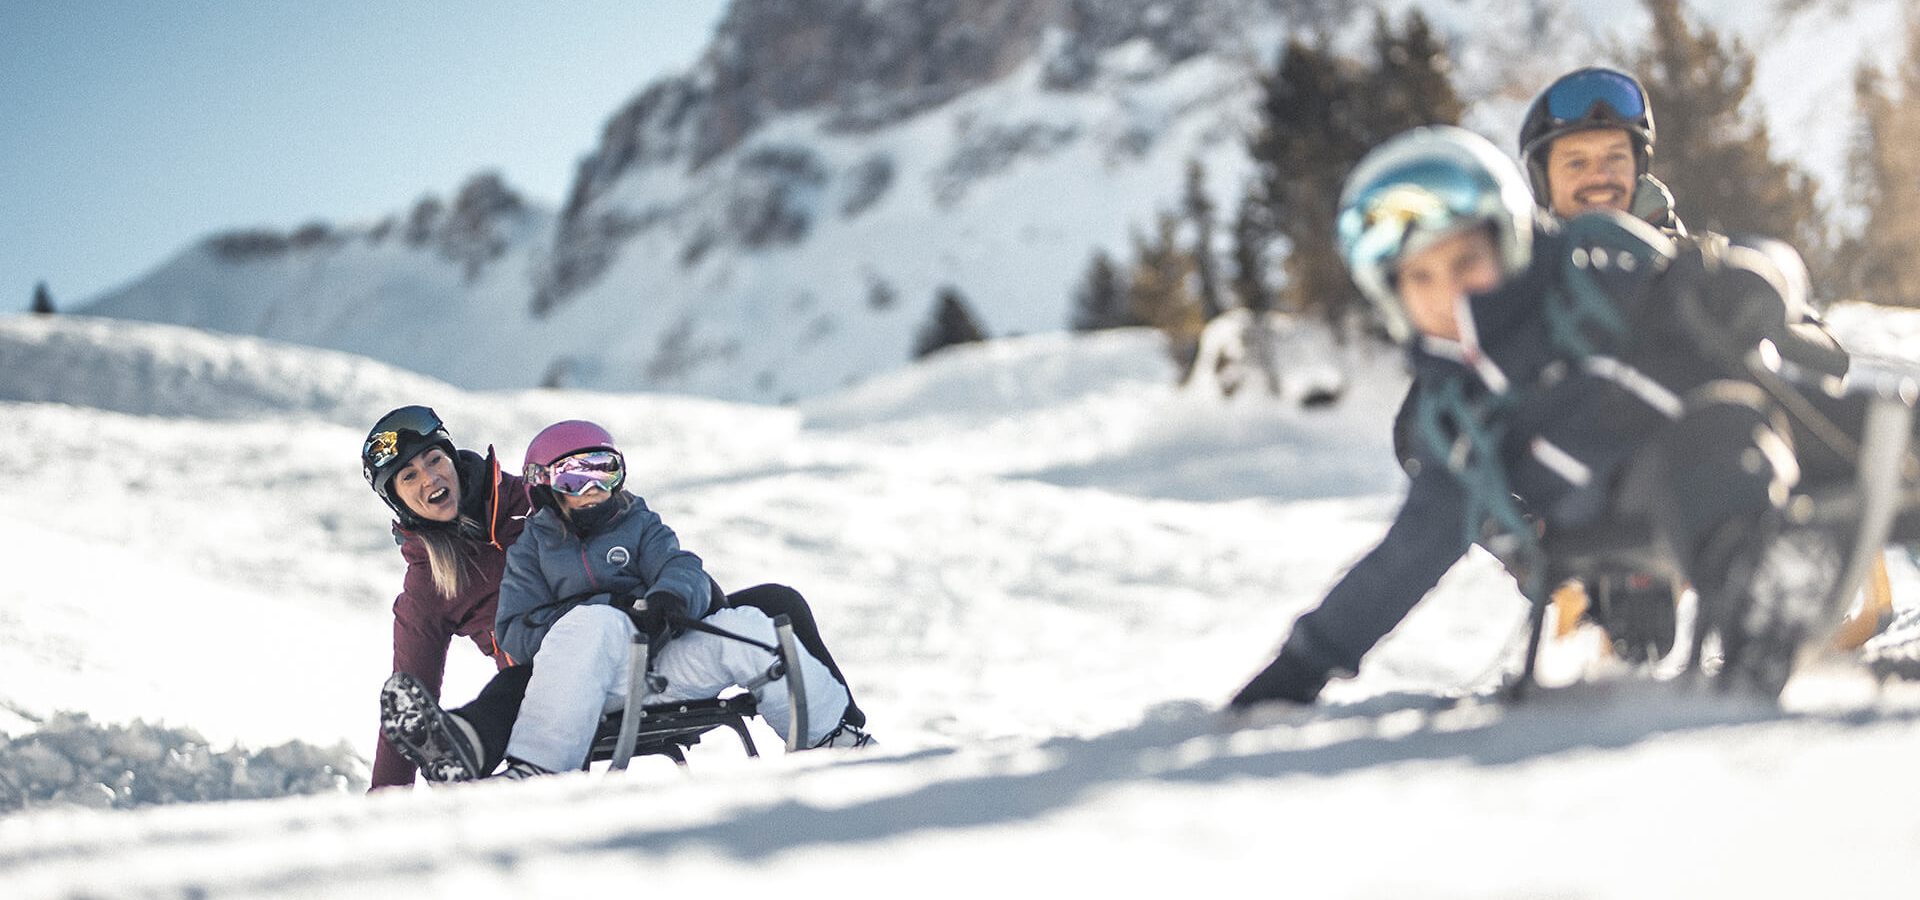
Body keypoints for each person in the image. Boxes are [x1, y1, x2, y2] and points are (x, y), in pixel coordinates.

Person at [1229, 126, 1911, 710]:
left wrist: (1738, 288)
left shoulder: (1590, 278)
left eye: (1466, 260)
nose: (1450, 292)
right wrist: (1300, 667)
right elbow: (1407, 556)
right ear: (1391, 294)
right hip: (1628, 506)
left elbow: (1709, 276)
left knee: (1890, 429)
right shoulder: (1457, 414)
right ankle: (1760, 605)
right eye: (1421, 279)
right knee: (1715, 438)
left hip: (1765, 419)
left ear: (1509, 242)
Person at [364, 408, 867, 788]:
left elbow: (656, 549)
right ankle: (464, 749)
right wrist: (387, 794)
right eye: (409, 476)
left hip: (651, 631)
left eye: (434, 459)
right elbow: (411, 683)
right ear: (396, 499)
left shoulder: (540, 497)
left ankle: (844, 736)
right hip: (546, 668)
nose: (430, 478)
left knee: (777, 603)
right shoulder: (429, 585)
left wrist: (676, 598)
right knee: (515, 687)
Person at [491, 420, 871, 779]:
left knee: (746, 626)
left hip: (663, 671)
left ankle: (830, 737)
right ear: (542, 486)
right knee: (595, 621)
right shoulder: (531, 551)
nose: (592, 487)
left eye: (605, 471)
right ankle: (538, 769)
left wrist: (670, 598)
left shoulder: (637, 523)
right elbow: (513, 630)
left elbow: (679, 565)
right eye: (574, 476)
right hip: (595, 684)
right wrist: (606, 611)